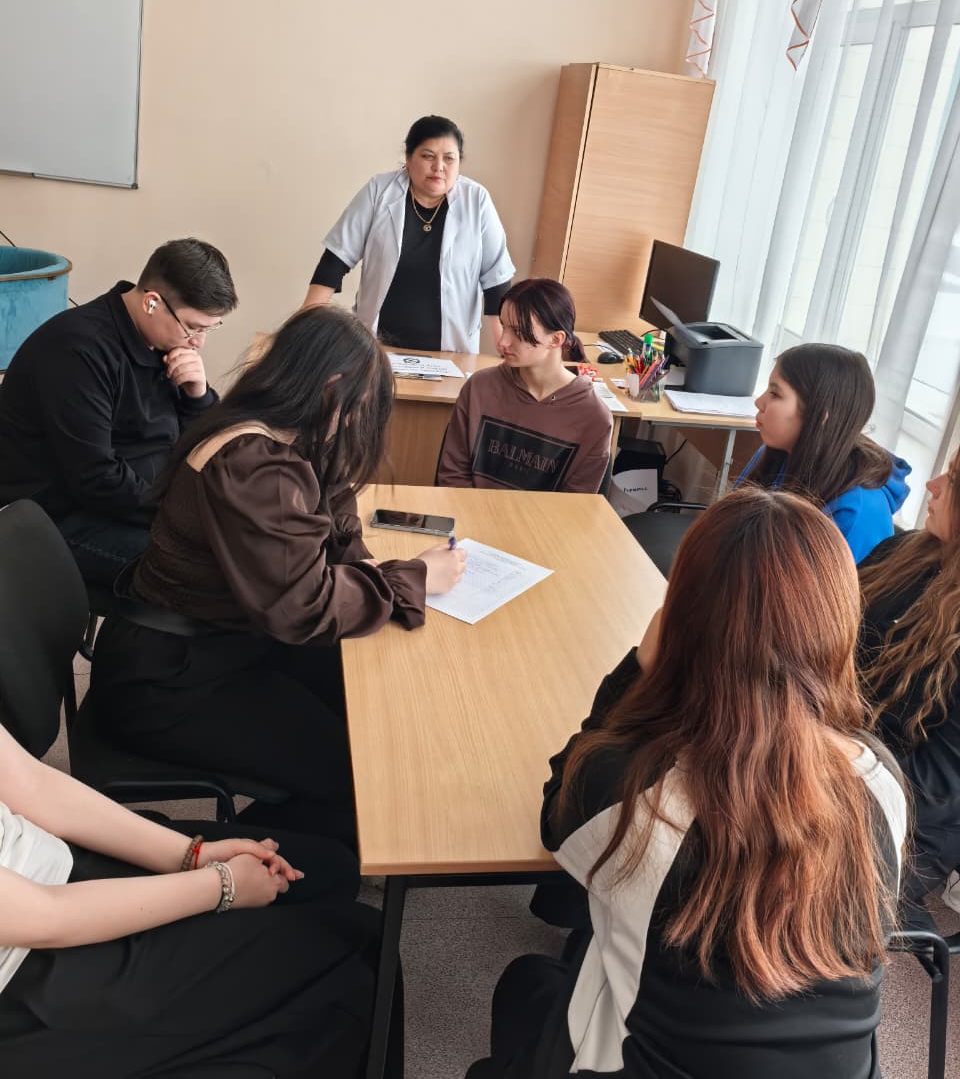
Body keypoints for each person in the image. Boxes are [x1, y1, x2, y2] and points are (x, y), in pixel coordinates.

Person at [468, 487, 906, 1079]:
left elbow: (556, 815)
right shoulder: (881, 781)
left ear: (682, 619)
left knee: (527, 983)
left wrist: (636, 672)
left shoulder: (632, 791)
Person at [90, 305, 466, 845]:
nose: (356, 422)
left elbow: (332, 509)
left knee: (368, 712)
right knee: (356, 772)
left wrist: (364, 568)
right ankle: (250, 855)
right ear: (330, 387)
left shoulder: (278, 431)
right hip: (169, 681)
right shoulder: (254, 464)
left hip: (221, 644)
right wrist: (411, 578)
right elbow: (303, 607)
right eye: (358, 406)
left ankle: (304, 833)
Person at [0, 718, 384, 1077]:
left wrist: (194, 854)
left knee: (327, 873)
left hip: (50, 862)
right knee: (358, 951)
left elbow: (33, 785)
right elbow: (49, 917)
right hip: (28, 975)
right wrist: (223, 885)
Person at [0, 238, 236, 587]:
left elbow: (207, 446)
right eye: (194, 327)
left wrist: (197, 397)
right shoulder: (77, 351)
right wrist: (181, 518)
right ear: (152, 302)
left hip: (135, 504)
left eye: (208, 329)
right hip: (56, 521)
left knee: (243, 551)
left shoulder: (162, 342)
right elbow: (97, 479)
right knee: (222, 577)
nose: (198, 342)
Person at [302, 115, 514, 354]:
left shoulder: (476, 200)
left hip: (451, 351)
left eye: (449, 158)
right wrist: (304, 328)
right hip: (376, 348)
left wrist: (505, 348)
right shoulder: (380, 190)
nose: (439, 167)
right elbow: (336, 260)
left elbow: (496, 280)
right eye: (428, 156)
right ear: (408, 158)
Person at [858, 451, 960, 923]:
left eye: (952, 480)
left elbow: (934, 790)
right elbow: (828, 641)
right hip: (835, 752)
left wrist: (826, 756)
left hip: (904, 825)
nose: (932, 485)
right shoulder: (903, 554)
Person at [738, 343, 910, 562]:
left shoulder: (858, 511)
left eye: (775, 393)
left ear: (820, 415)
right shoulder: (777, 453)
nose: (759, 402)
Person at [437, 279, 612, 493]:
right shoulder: (479, 388)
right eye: (504, 326)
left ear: (555, 339)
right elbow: (452, 476)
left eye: (518, 332)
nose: (502, 342)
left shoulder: (594, 418)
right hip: (468, 512)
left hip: (542, 517)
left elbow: (574, 505)